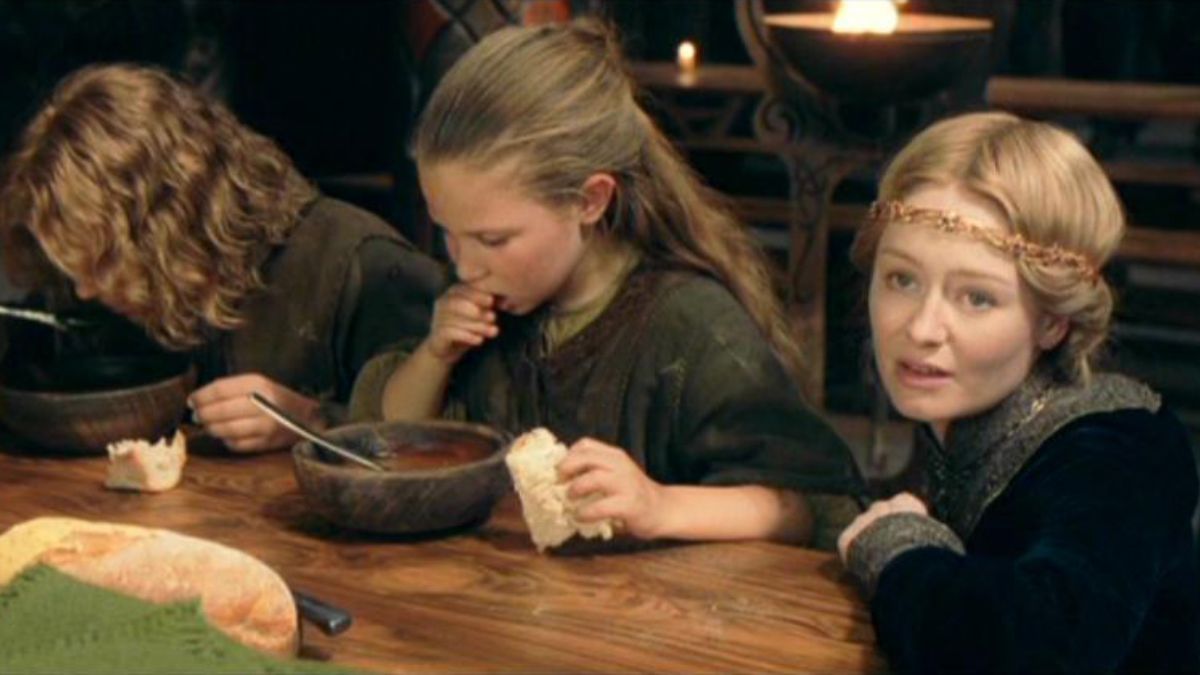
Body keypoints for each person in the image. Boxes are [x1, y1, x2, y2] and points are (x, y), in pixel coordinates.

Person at [350, 19, 865, 548]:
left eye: (493, 239)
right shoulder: (486, 305)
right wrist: (436, 356)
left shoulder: (688, 324)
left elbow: (814, 506)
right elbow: (389, 436)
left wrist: (660, 505)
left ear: (589, 200)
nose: (465, 266)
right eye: (447, 234)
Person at [837, 111, 1199, 671]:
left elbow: (1040, 650)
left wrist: (899, 547)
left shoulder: (1117, 450)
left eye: (976, 297)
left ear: (1053, 323)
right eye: (902, 279)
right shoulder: (968, 422)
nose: (922, 328)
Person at [0, 63, 445, 452]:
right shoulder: (112, 284)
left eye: (101, 262)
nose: (85, 290)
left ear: (164, 222)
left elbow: (456, 443)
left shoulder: (359, 265)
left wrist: (314, 420)